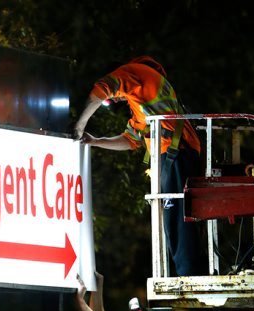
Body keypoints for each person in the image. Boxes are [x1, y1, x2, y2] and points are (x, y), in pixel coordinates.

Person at [73, 56, 207, 276]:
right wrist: (94, 140)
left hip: (176, 152)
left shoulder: (133, 73)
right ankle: (187, 271)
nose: (115, 101)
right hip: (174, 154)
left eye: (113, 99)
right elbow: (131, 139)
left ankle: (189, 273)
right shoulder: (142, 98)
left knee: (178, 217)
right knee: (175, 217)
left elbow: (103, 88)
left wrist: (80, 124)